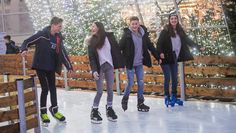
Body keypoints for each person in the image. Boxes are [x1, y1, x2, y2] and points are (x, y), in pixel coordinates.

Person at [21, 17, 73, 126]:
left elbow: (62, 52)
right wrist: (24, 49)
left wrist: (69, 66)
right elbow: (27, 41)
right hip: (40, 66)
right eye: (59, 26)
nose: (60, 28)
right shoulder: (42, 35)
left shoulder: (58, 38)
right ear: (53, 25)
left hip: (51, 67)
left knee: (53, 88)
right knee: (45, 89)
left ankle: (54, 110)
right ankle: (43, 113)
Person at [156, 13, 204, 107]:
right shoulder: (165, 31)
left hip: (174, 57)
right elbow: (159, 44)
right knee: (168, 78)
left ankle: (174, 96)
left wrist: (198, 47)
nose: (173, 20)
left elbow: (188, 40)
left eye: (175, 19)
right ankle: (167, 97)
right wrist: (160, 53)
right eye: (172, 19)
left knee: (174, 78)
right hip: (165, 57)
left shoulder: (180, 31)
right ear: (169, 20)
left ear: (177, 20)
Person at [119, 16, 160, 112]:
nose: (134, 25)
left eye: (136, 23)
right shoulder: (127, 35)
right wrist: (119, 63)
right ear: (130, 25)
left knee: (141, 82)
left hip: (139, 63)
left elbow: (150, 46)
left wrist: (157, 57)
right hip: (130, 63)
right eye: (132, 24)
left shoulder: (143, 34)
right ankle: (125, 99)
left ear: (138, 24)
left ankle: (140, 103)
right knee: (130, 83)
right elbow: (119, 48)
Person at [87, 22, 124, 124]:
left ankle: (109, 108)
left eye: (94, 26)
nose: (92, 28)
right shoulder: (91, 41)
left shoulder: (109, 37)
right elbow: (92, 58)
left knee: (110, 90)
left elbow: (116, 51)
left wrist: (120, 65)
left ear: (99, 27)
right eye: (92, 26)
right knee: (99, 91)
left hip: (109, 65)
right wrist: (94, 70)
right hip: (99, 67)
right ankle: (94, 110)